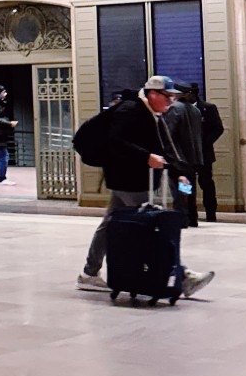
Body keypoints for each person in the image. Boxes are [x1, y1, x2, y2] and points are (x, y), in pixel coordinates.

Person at [77, 75, 213, 297]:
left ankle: (89, 273)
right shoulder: (130, 111)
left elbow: (165, 148)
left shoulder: (153, 114)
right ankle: (183, 276)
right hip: (128, 179)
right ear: (153, 94)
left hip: (130, 178)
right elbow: (116, 142)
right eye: (168, 97)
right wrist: (145, 157)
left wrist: (178, 173)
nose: (171, 102)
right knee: (152, 226)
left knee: (109, 224)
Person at [159, 85, 204, 228]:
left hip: (179, 159)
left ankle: (181, 218)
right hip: (193, 158)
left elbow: (168, 134)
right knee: (188, 189)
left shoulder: (174, 109)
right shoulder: (195, 110)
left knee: (179, 191)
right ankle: (192, 217)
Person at [180, 82, 223, 222]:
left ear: (192, 93)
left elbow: (218, 128)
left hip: (204, 154)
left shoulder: (208, 108)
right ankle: (190, 214)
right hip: (187, 156)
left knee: (206, 184)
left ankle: (211, 213)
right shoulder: (180, 110)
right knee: (187, 185)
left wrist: (204, 143)